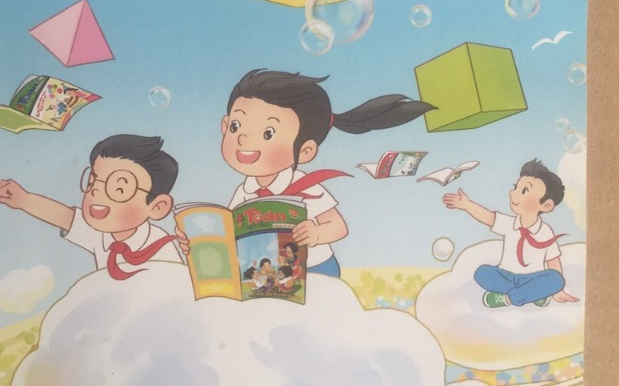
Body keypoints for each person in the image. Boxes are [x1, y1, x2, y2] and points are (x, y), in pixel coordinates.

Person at [181, 69, 434, 278]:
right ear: (224, 126)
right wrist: (199, 243)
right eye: (236, 126)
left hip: (315, 270)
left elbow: (338, 226)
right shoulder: (244, 192)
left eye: (268, 133)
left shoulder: (306, 186)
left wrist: (316, 233)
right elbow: (230, 234)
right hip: (267, 274)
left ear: (305, 150)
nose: (243, 139)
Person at [0, 134, 180, 279]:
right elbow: (64, 216)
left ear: (157, 207)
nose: (96, 191)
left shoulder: (161, 247)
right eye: (92, 182)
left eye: (119, 188)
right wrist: (23, 199)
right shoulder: (101, 235)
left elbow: (178, 290)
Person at [442, 158, 578, 307]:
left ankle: (507, 299)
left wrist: (558, 291)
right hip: (506, 276)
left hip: (533, 277)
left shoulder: (545, 231)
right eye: (515, 187)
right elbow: (488, 217)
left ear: (546, 205)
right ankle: (533, 294)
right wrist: (467, 205)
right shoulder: (508, 223)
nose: (512, 193)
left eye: (524, 191)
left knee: (556, 279)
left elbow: (553, 260)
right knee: (482, 272)